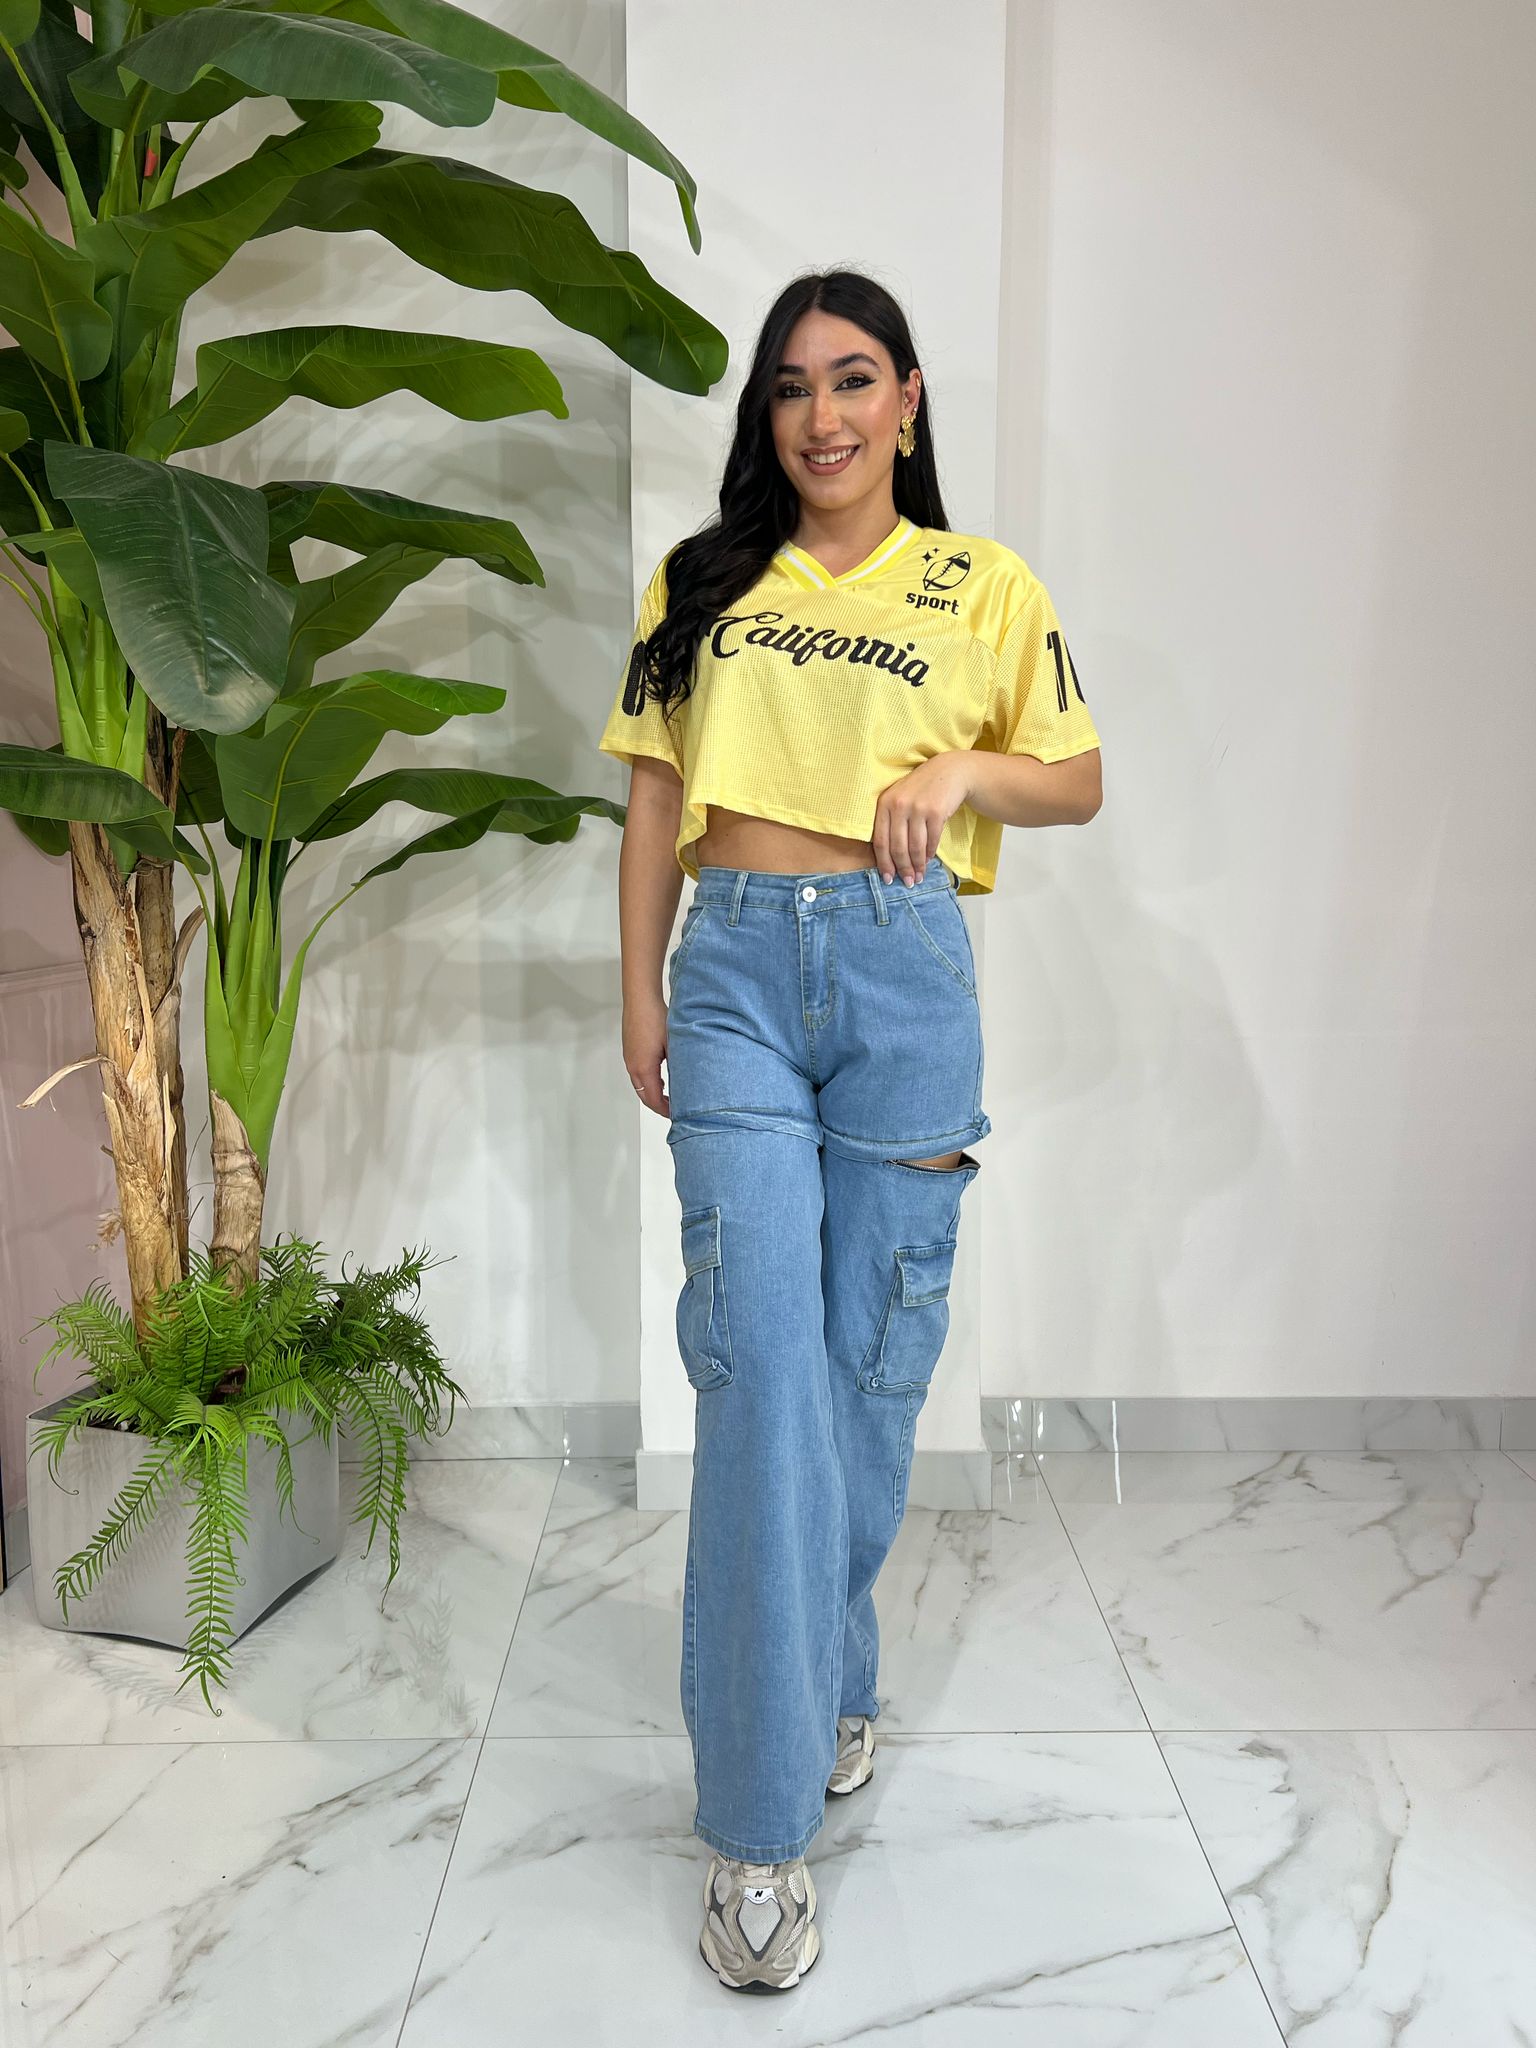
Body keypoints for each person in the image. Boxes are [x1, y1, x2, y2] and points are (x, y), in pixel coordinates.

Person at [598, 269, 1103, 1993]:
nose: (822, 415)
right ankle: (756, 1832)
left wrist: (964, 777)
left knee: (872, 1376)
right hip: (734, 972)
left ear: (907, 401)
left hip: (903, 979)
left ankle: (830, 1680)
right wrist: (641, 989)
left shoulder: (983, 586)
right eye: (793, 386)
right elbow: (654, 794)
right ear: (770, 413)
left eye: (855, 379)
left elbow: (1075, 775)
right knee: (760, 1370)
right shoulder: (703, 582)